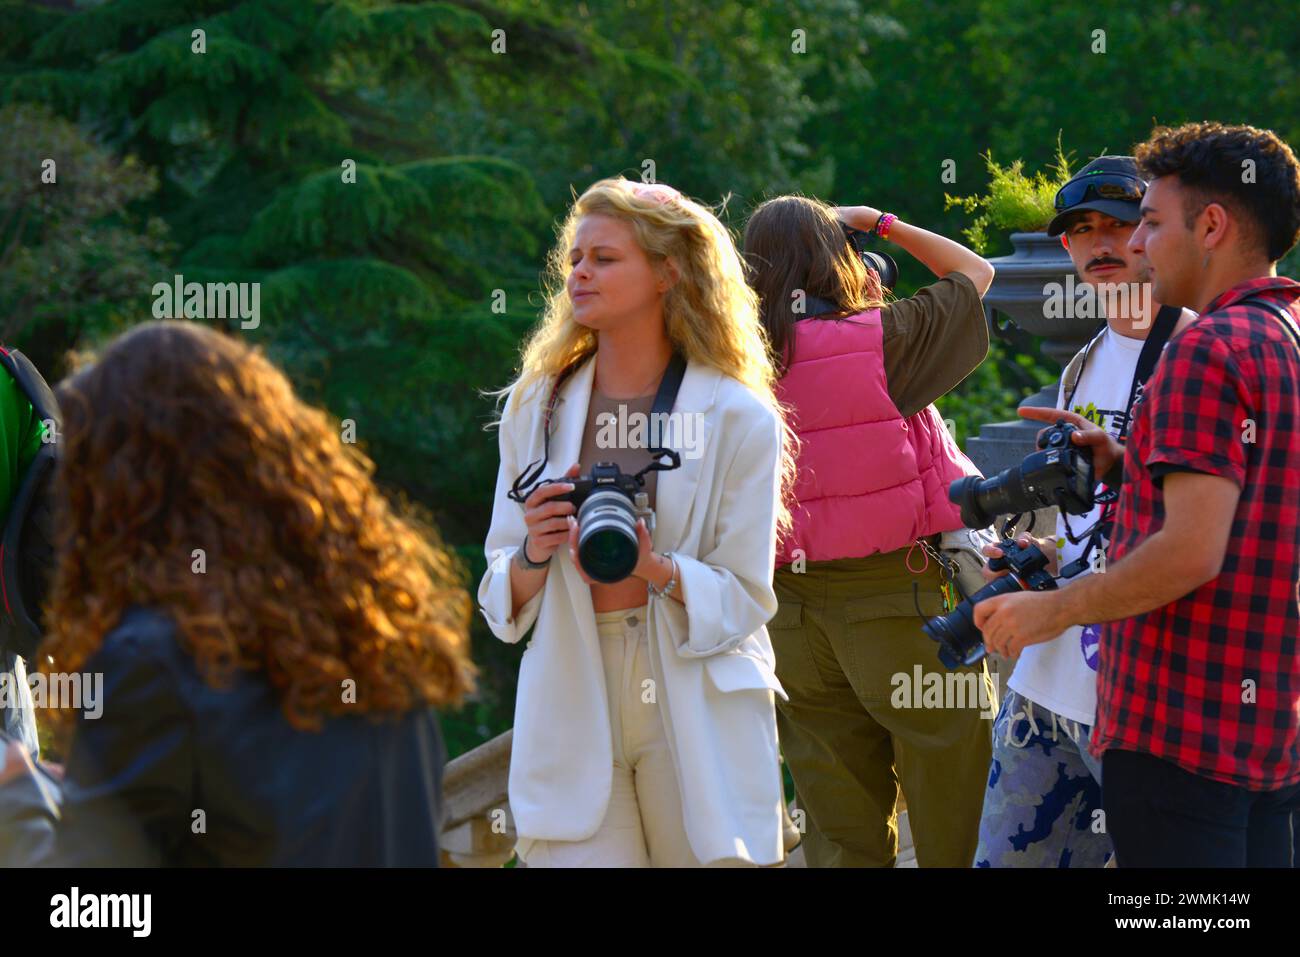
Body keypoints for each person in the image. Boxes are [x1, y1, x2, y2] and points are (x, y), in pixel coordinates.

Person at [0, 320, 475, 866]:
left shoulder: (154, 659)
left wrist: (16, 795)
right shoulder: (384, 643)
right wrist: (100, 796)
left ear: (127, 487)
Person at [976, 122, 1300, 867]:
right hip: (1261, 728)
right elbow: (1257, 505)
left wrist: (1052, 605)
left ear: (1212, 225)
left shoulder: (1203, 348)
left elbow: (1191, 551)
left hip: (1176, 732)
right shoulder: (1282, 333)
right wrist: (1126, 467)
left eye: (1147, 223)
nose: (1140, 247)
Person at [479, 177, 794, 867]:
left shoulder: (740, 417)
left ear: (667, 271)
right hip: (572, 677)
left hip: (692, 684)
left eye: (605, 258)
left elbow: (747, 595)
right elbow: (500, 596)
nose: (580, 273)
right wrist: (535, 549)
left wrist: (655, 567)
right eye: (575, 260)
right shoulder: (536, 408)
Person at [742, 195, 996, 867]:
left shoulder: (725, 363)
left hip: (785, 615)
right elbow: (975, 274)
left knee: (838, 825)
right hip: (896, 601)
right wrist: (882, 223)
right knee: (953, 803)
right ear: (840, 259)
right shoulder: (884, 340)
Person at [973, 156, 1196, 868]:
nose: (1099, 244)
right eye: (1081, 231)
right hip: (1047, 687)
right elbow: (1093, 519)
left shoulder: (1201, 350)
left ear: (1153, 233)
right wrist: (1044, 557)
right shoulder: (1083, 361)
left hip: (1146, 699)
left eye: (1119, 225)